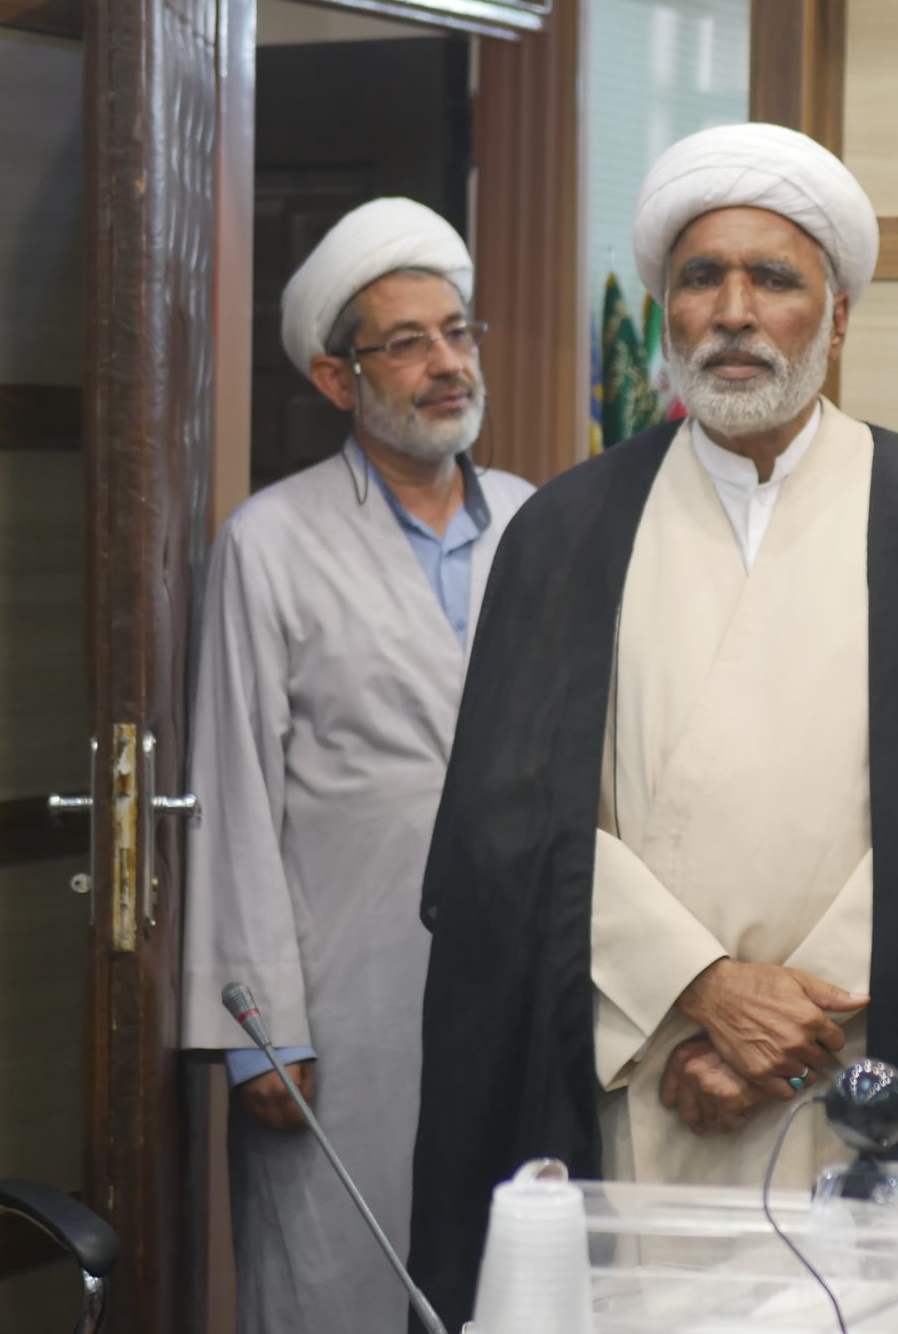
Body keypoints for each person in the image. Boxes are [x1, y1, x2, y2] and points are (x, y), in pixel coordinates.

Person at [406, 123, 898, 1327]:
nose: (733, 312)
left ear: (836, 320)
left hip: (870, 1076)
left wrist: (789, 1031)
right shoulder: (567, 530)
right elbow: (506, 828)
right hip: (638, 1070)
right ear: (666, 312)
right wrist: (700, 990)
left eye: (773, 279)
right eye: (701, 279)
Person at [181, 198, 534, 1334]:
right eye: (408, 343)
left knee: (509, 1278)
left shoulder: (536, 523)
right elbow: (232, 788)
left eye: (458, 332)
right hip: (342, 995)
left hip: (519, 981)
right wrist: (264, 1032)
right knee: (334, 1279)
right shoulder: (271, 540)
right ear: (338, 379)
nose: (447, 364)